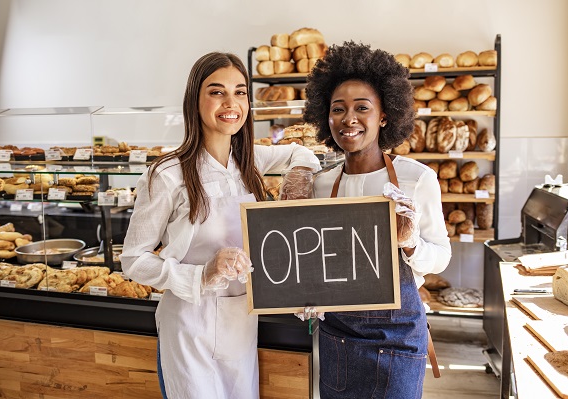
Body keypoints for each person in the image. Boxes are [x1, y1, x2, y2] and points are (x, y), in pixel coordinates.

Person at [120, 52, 321, 399]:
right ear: (194, 100)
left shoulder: (249, 160)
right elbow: (133, 260)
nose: (231, 103)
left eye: (240, 92)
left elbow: (300, 152)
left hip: (241, 322)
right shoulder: (167, 175)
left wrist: (300, 175)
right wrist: (202, 274)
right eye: (217, 92)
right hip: (189, 327)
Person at [302, 41, 452, 398]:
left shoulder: (417, 179)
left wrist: (411, 243)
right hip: (339, 338)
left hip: (399, 339)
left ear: (384, 115)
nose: (348, 119)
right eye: (338, 109)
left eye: (362, 108)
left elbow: (442, 255)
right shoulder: (322, 184)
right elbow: (316, 261)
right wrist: (305, 293)